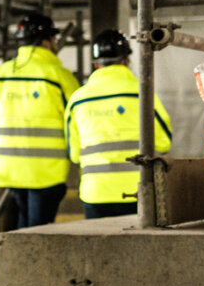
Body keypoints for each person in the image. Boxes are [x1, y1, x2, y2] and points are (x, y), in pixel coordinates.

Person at [0, 13, 81, 228]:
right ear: (45, 42)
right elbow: (79, 120)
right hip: (47, 172)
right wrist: (76, 155)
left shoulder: (0, 74)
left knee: (20, 229)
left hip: (9, 169)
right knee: (38, 231)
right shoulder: (60, 77)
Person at [66, 29, 174, 219]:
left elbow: (74, 154)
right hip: (139, 190)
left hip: (95, 193)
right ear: (126, 59)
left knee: (98, 248)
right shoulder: (142, 93)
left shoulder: (77, 99)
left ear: (96, 64)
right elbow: (164, 141)